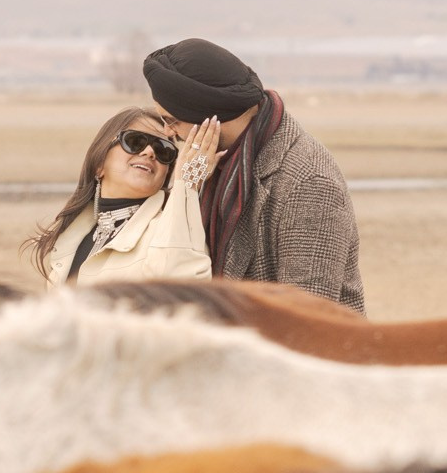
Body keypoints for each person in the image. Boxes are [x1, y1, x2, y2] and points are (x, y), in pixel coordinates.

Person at [142, 36, 363, 310]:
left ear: (209, 115)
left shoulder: (308, 183)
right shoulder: (213, 162)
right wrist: (186, 185)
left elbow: (308, 316)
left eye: (171, 120)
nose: (167, 132)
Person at [28, 106, 211, 288]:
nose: (149, 152)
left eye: (163, 149)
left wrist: (187, 183)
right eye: (134, 141)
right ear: (99, 163)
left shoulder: (170, 229)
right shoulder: (69, 237)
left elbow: (183, 291)